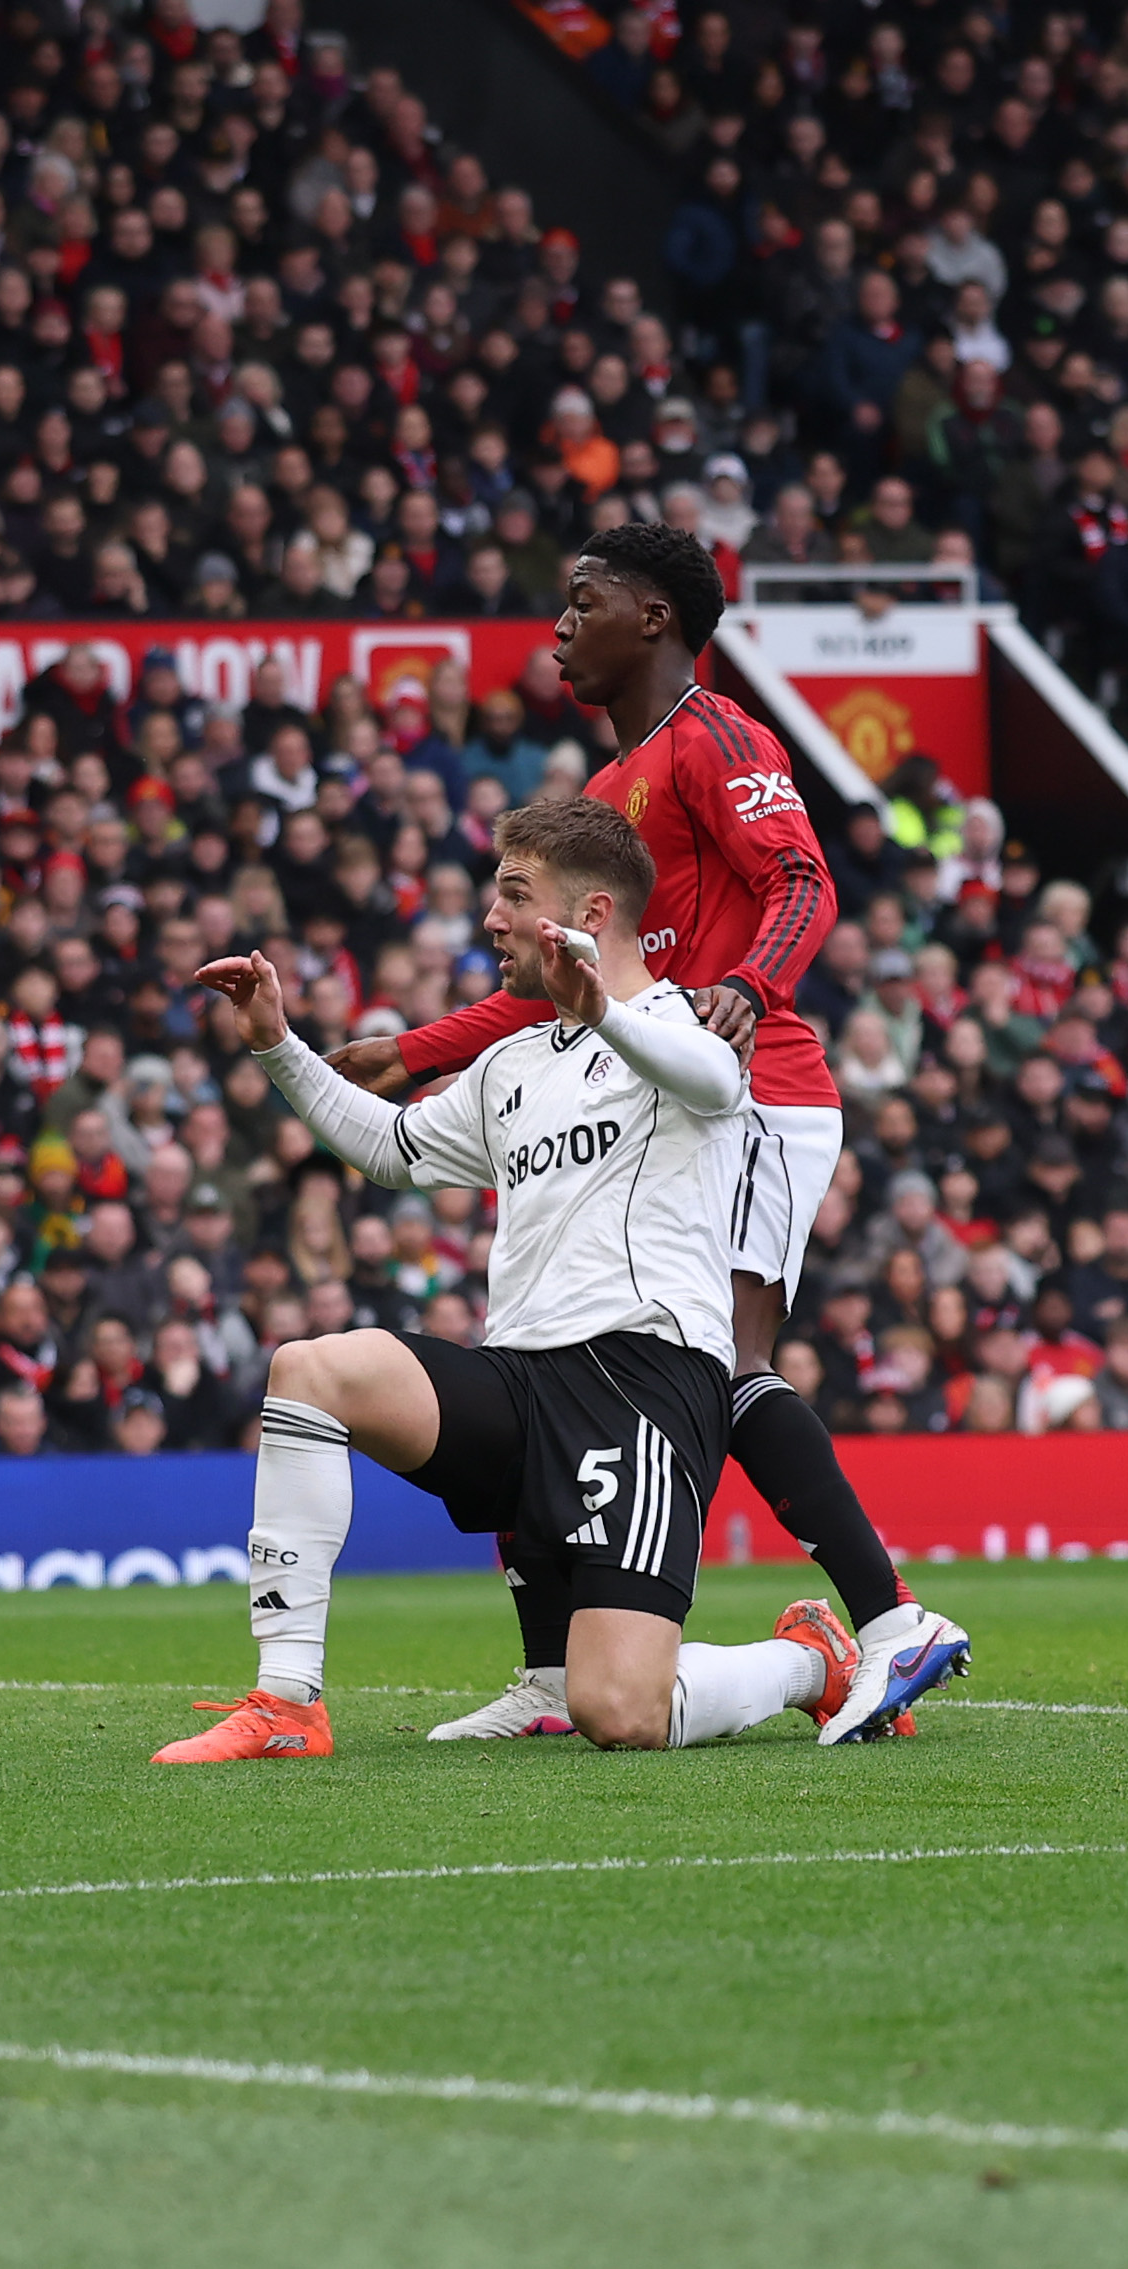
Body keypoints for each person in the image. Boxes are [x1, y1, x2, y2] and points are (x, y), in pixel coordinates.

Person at [329, 521, 971, 1743]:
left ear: (655, 619)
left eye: (584, 602)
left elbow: (802, 880)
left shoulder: (714, 736)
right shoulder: (607, 791)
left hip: (746, 1089)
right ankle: (546, 1679)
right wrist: (413, 1051)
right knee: (545, 1344)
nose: (560, 627)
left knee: (716, 1365)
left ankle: (886, 1624)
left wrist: (754, 989)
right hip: (656, 1096)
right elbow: (560, 982)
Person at [168, 799, 854, 1762]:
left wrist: (602, 1010)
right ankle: (287, 1703)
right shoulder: (513, 1063)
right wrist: (280, 1046)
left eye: (515, 895)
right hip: (519, 1382)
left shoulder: (680, 1024)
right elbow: (392, 1149)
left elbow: (716, 1082)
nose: (491, 918)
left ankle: (806, 1661)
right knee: (311, 1369)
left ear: (593, 914)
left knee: (618, 1712)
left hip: (642, 1387)